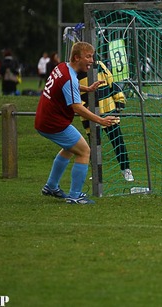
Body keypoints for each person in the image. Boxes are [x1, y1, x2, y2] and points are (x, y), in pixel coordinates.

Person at [35, 42, 119, 205]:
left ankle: (51, 187)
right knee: (84, 151)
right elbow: (77, 107)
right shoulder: (69, 78)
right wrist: (101, 120)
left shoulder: (62, 68)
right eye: (88, 57)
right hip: (53, 123)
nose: (91, 61)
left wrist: (86, 89)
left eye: (92, 57)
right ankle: (75, 196)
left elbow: (67, 86)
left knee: (70, 149)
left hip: (45, 120)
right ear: (76, 57)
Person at [78, 60, 134, 182]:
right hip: (91, 115)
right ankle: (96, 173)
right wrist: (84, 106)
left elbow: (111, 83)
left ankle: (126, 169)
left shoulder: (100, 65)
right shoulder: (75, 70)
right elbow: (73, 93)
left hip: (108, 109)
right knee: (94, 144)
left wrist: (119, 100)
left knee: (118, 141)